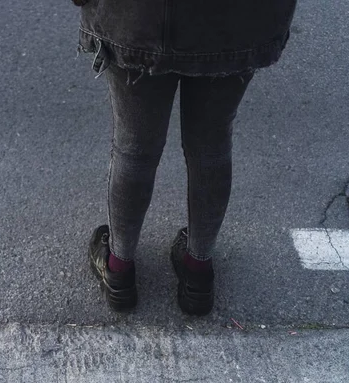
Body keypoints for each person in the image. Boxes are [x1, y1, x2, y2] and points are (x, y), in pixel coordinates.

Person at [74, 0, 297, 315]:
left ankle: (119, 270)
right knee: (212, 144)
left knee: (135, 147)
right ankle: (197, 273)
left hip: (136, 19)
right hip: (240, 23)